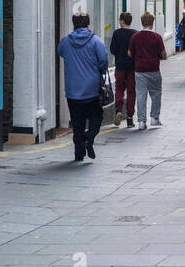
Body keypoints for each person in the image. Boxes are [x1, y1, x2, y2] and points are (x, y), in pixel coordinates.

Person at [57, 12, 108, 162]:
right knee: (96, 118)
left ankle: (78, 154)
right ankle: (89, 138)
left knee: (77, 123)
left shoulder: (65, 41)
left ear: (74, 24)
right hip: (92, 90)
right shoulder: (95, 41)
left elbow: (60, 52)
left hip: (73, 91)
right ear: (88, 24)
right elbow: (103, 62)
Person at [129, 11, 167, 129]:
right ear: (152, 22)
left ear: (142, 23)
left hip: (140, 69)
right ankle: (155, 118)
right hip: (153, 69)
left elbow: (129, 53)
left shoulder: (135, 36)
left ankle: (141, 121)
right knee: (156, 93)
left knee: (141, 95)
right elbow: (164, 54)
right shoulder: (157, 37)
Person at [109, 12, 137, 128]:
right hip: (132, 67)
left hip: (120, 66)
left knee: (119, 89)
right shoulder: (135, 34)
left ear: (121, 21)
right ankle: (130, 118)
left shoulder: (116, 33)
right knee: (131, 91)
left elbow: (112, 50)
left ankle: (118, 110)